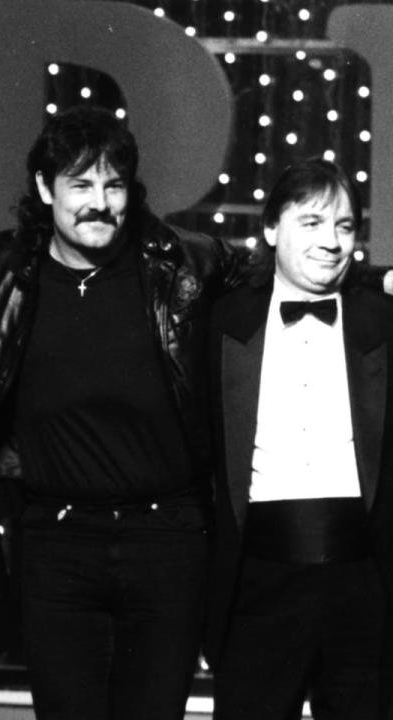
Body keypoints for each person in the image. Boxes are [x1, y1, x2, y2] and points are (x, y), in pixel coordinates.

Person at [0, 104, 251, 720]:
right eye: (80, 185)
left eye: (112, 185)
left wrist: (373, 280)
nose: (99, 202)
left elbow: (290, 272)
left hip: (167, 538)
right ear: (43, 189)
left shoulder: (185, 265)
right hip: (56, 543)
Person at [206, 159, 393, 719]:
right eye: (311, 223)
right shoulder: (221, 322)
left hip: (363, 581)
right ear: (270, 228)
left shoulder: (382, 321)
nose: (331, 242)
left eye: (343, 226)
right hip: (258, 580)